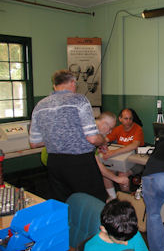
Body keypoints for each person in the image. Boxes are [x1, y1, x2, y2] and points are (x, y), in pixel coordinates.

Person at [29, 69, 108, 202]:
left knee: (63, 205)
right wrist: (103, 139)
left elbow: (34, 143)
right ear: (73, 83)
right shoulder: (79, 100)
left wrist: (58, 138)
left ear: (54, 86)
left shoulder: (40, 106)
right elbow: (93, 138)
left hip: (54, 164)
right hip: (81, 163)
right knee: (94, 204)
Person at [83, 200, 152, 251]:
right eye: (120, 240)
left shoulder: (131, 233)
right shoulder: (92, 249)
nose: (126, 243)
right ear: (104, 229)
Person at [102, 108, 145, 192]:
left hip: (135, 161)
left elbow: (134, 145)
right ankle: (112, 196)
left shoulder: (138, 129)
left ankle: (125, 198)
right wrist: (102, 144)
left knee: (122, 174)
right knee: (107, 173)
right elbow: (106, 139)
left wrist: (113, 152)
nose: (128, 121)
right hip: (120, 159)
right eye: (126, 118)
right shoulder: (118, 129)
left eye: (130, 118)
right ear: (120, 119)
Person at [94, 111, 129, 199]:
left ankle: (112, 199)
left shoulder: (92, 129)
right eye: (110, 128)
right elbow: (98, 166)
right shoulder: (92, 136)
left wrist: (100, 145)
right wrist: (117, 179)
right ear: (104, 125)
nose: (110, 132)